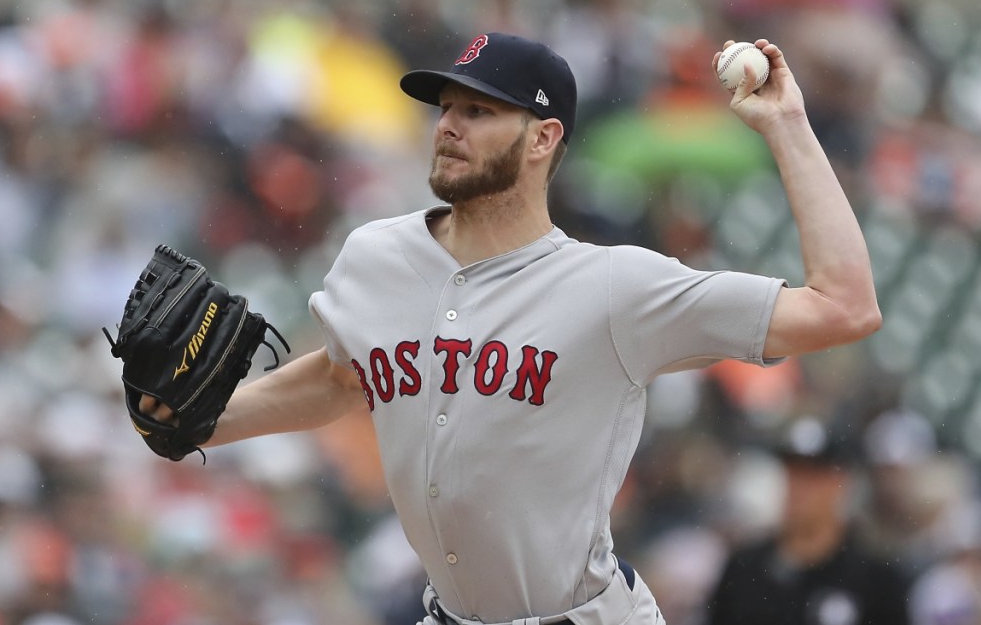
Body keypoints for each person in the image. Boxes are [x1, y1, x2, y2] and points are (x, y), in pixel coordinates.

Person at [141, 32, 881, 625]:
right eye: (446, 108)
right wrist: (206, 420)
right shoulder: (376, 256)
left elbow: (844, 307)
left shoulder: (615, 286)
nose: (450, 126)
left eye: (480, 111)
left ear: (542, 139)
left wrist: (786, 125)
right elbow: (345, 375)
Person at [705, 415, 910, 625]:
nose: (799, 489)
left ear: (841, 482)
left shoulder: (877, 581)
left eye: (812, 476)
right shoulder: (744, 569)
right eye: (793, 473)